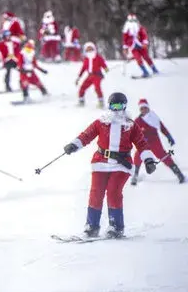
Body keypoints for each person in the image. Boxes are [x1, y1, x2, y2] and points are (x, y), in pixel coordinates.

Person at [63, 92, 156, 238]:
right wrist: (74, 145)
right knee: (96, 193)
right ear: (109, 106)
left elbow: (142, 143)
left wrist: (149, 160)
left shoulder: (131, 125)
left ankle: (116, 227)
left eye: (120, 106)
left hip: (121, 165)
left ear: (124, 106)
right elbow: (86, 135)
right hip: (101, 162)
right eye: (114, 105)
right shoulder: (101, 122)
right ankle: (91, 226)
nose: (117, 109)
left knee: (113, 192)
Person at [131, 98, 185, 185]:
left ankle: (178, 173)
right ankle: (135, 176)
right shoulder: (137, 120)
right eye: (142, 108)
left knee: (164, 157)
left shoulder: (154, 117)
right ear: (140, 110)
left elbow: (162, 128)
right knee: (137, 157)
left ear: (148, 108)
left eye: (145, 108)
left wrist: (168, 136)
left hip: (155, 143)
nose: (144, 110)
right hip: (143, 144)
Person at [122, 14, 158, 78]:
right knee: (138, 59)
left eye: (133, 21)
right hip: (133, 47)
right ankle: (145, 72)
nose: (132, 23)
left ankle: (154, 69)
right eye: (130, 21)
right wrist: (125, 48)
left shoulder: (140, 28)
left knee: (146, 57)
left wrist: (145, 43)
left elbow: (144, 36)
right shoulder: (126, 30)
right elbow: (125, 39)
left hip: (141, 45)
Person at [75, 42, 108, 108]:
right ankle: (81, 101)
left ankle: (101, 102)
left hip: (97, 75)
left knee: (97, 88)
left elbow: (103, 64)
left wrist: (105, 68)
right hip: (89, 76)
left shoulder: (98, 57)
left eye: (91, 49)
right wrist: (79, 77)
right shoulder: (86, 59)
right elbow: (83, 68)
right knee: (82, 87)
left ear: (94, 49)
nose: (89, 50)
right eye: (88, 49)